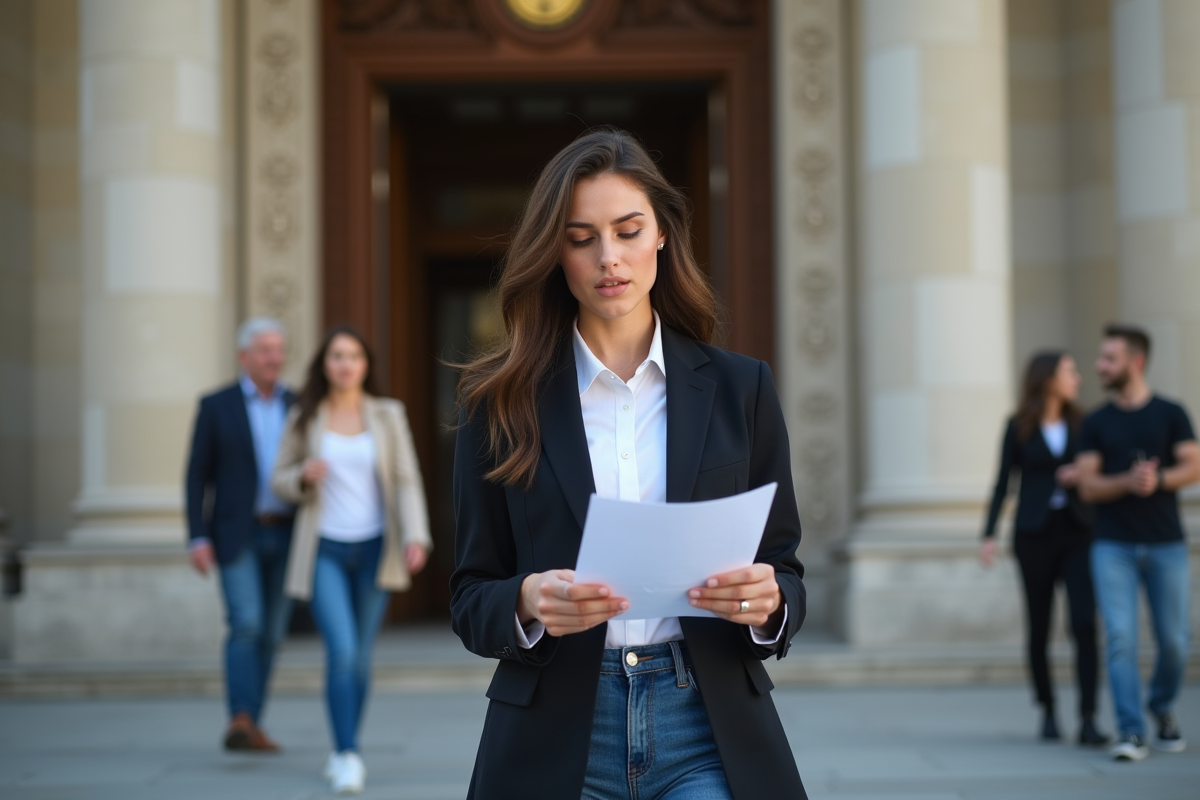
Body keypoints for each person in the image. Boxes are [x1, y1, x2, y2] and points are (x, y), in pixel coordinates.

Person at [450, 128, 807, 800]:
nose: (608, 258)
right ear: (556, 252)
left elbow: (784, 566)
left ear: (663, 234)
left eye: (628, 230)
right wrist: (527, 601)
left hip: (705, 727)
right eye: (581, 237)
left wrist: (768, 603)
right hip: (557, 735)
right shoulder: (498, 403)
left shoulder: (741, 388)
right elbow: (471, 597)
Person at [271, 325, 432, 794]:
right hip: (322, 549)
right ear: (325, 364)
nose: (345, 364)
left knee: (360, 659)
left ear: (365, 365)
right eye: (337, 355)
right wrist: (301, 475)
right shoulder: (305, 416)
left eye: (354, 356)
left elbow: (406, 479)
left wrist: (416, 534)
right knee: (341, 652)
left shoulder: (387, 414)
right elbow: (278, 479)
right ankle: (346, 752)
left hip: (374, 550)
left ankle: (346, 745)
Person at [1075, 324, 1200, 762]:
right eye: (1100, 358)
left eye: (1109, 358)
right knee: (1121, 636)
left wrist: (1159, 478)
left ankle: (1161, 707)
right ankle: (1131, 731)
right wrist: (1127, 481)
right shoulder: (1096, 421)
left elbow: (1194, 467)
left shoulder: (1171, 412)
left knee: (1175, 642)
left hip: (1165, 543)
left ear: (1136, 361)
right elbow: (1088, 485)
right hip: (1113, 546)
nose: (1100, 366)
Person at [981, 352, 1107, 746]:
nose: (1077, 379)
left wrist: (1081, 473)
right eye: (1070, 371)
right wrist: (989, 534)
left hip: (1078, 531)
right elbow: (1003, 483)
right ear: (1048, 378)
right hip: (1033, 535)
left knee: (1084, 623)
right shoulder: (1018, 426)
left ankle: (1088, 716)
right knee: (1040, 626)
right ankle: (1048, 709)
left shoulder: (1083, 422)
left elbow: (1099, 468)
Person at [185, 317, 295, 752]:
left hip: (286, 534)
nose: (274, 357)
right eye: (265, 349)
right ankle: (241, 716)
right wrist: (197, 537)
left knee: (271, 634)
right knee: (246, 624)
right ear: (243, 356)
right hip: (237, 535)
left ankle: (252, 720)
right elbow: (196, 476)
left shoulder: (300, 404)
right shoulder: (216, 405)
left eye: (279, 349)